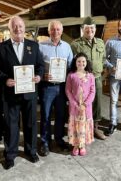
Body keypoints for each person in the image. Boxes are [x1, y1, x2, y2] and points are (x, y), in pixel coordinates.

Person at [0, 16, 44, 169]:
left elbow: (40, 65)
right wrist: (5, 80)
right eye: (14, 26)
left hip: (29, 93)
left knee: (30, 123)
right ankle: (10, 155)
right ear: (9, 29)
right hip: (10, 94)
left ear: (25, 28)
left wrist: (39, 76)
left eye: (20, 26)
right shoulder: (0, 48)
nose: (18, 29)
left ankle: (31, 151)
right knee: (11, 125)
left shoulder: (34, 46)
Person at [38, 20, 73, 156]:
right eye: (53, 29)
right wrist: (42, 75)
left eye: (58, 29)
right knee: (45, 115)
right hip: (47, 87)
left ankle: (58, 139)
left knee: (60, 114)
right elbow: (37, 66)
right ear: (48, 31)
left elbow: (71, 66)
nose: (55, 32)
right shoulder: (41, 46)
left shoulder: (67, 47)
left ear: (62, 31)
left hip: (62, 87)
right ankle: (45, 142)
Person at [71, 16, 106, 140]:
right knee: (82, 102)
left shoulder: (101, 43)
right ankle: (81, 127)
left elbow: (103, 60)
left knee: (97, 103)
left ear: (95, 29)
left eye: (92, 28)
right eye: (87, 28)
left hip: (96, 78)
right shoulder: (75, 44)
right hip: (83, 80)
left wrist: (107, 71)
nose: (89, 30)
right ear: (82, 29)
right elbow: (72, 62)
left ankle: (95, 127)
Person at [66, 52, 95, 156]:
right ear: (75, 62)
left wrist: (85, 104)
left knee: (83, 126)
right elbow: (68, 91)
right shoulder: (71, 75)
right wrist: (74, 103)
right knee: (76, 126)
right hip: (75, 108)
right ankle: (76, 144)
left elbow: (92, 92)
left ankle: (82, 145)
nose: (81, 63)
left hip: (86, 109)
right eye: (79, 61)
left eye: (83, 61)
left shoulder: (90, 76)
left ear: (86, 63)